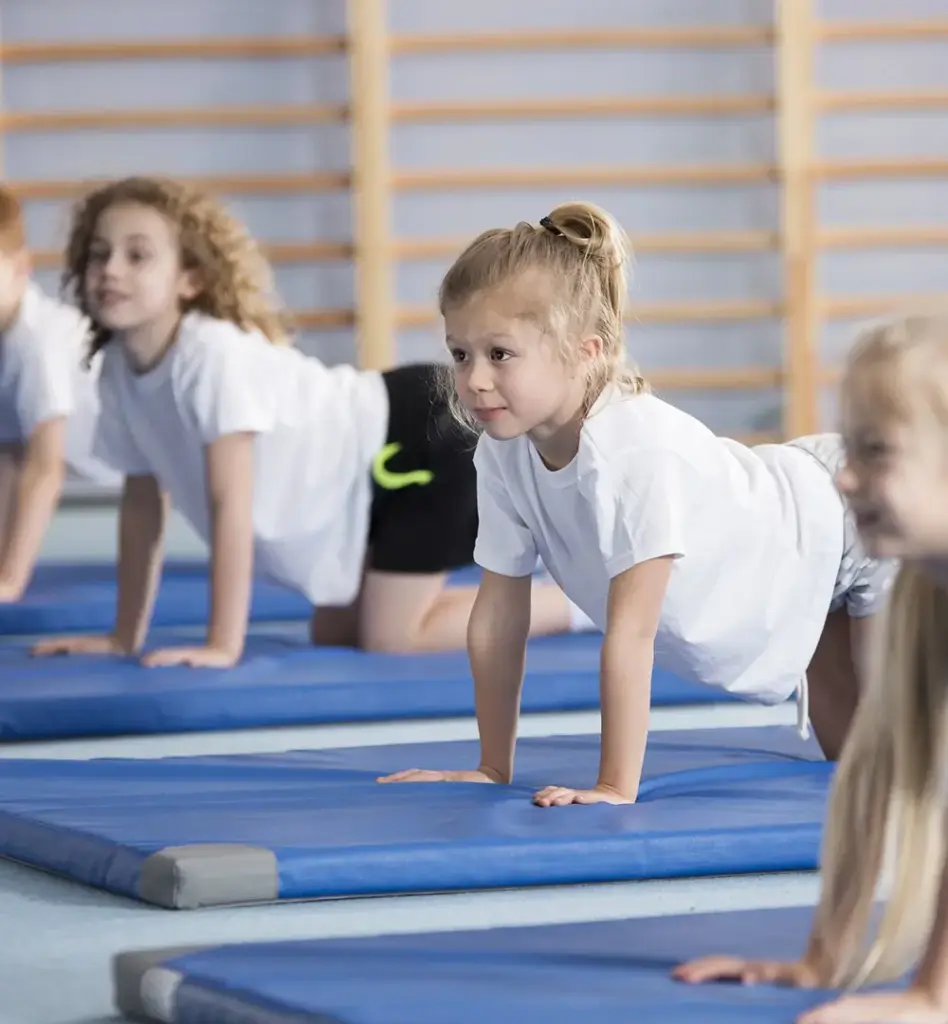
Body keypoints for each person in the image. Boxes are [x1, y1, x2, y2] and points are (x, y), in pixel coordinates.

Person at [378, 200, 896, 804]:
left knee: (906, 746)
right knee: (857, 774)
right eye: (460, 353)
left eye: (500, 353)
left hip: (850, 516)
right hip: (798, 554)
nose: (474, 381)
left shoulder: (630, 452)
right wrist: (493, 766)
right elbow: (498, 616)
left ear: (586, 350)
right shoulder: (501, 453)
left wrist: (613, 786)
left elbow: (632, 632)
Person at [31, 175, 585, 667]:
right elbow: (142, 505)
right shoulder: (116, 372)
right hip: (359, 484)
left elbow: (231, 507)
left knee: (392, 637)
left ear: (190, 279)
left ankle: (579, 602)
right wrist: (124, 636)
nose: (110, 270)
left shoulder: (211, 357)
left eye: (137, 255)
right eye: (98, 254)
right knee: (335, 633)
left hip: (416, 440)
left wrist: (223, 644)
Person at [673, 311, 948, 1024]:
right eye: (849, 447)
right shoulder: (923, 592)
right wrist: (823, 961)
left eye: (877, 451)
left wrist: (933, 997)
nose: (846, 475)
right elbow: (877, 775)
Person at [0, 185, 119, 601]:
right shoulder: (6, 339)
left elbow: (45, 468)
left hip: (175, 443)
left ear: (21, 268)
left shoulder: (40, 342)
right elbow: (10, 458)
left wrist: (11, 581)